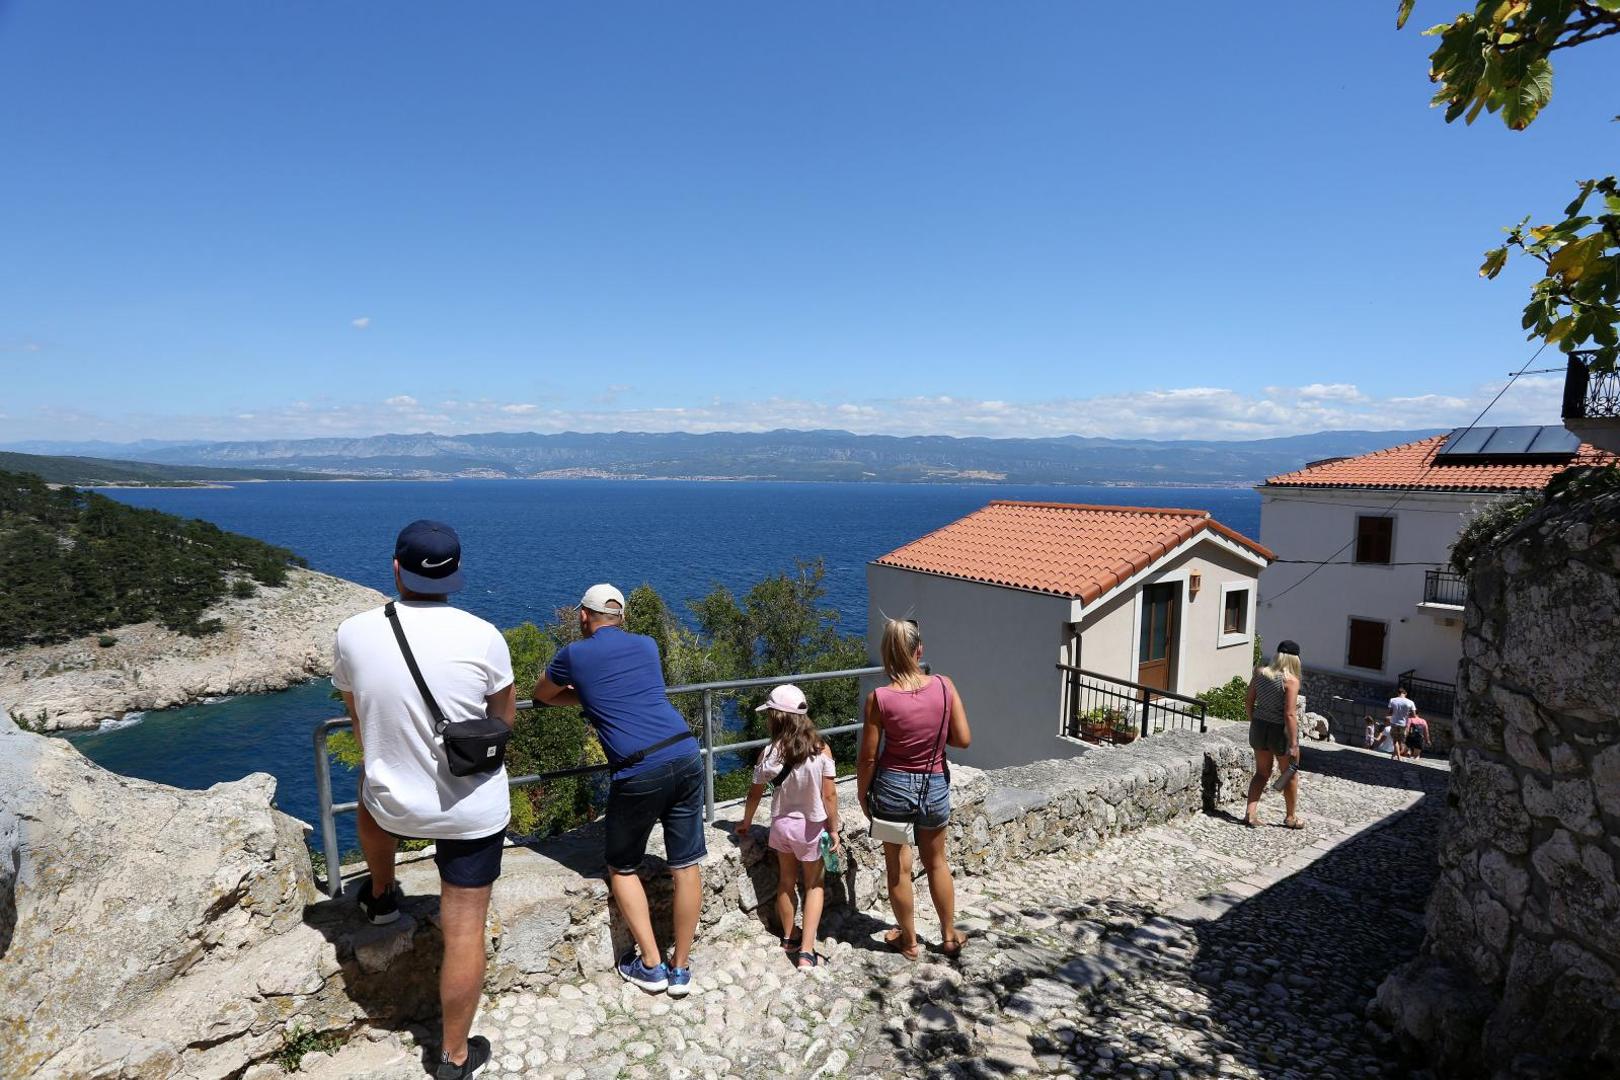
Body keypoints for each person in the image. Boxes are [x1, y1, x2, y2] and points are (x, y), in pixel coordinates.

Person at [333, 520, 516, 1080]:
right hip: (472, 810)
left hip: (393, 803)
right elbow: (503, 719)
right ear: (455, 574)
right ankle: (454, 1056)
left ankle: (381, 894)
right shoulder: (484, 635)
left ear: (397, 568)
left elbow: (357, 714)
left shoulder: (354, 633)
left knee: (369, 794)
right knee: (464, 932)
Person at [532, 584, 704, 997]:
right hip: (685, 752)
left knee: (622, 867)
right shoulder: (647, 645)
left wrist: (585, 694)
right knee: (686, 865)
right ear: (621, 617)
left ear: (583, 616)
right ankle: (681, 968)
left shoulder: (574, 654)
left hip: (639, 769)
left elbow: (541, 695)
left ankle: (652, 965)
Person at [855, 618, 971, 961]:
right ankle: (948, 936)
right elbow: (963, 739)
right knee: (937, 862)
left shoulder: (879, 699)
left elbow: (868, 758)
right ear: (919, 650)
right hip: (933, 784)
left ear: (887, 654)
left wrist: (862, 794)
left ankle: (908, 941)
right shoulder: (945, 686)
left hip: (891, 788)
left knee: (898, 869)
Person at [734, 684, 842, 970]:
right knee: (814, 885)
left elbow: (754, 794)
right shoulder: (821, 750)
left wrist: (746, 823)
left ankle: (789, 936)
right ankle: (806, 951)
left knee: (785, 881)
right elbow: (829, 796)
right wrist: (833, 829)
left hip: (781, 826)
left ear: (776, 717)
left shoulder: (769, 752)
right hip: (810, 828)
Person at [1243, 640, 1302, 829]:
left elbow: (1248, 701)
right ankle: (1290, 817)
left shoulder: (1260, 673)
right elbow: (1289, 714)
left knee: (1262, 773)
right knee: (1290, 774)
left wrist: (1254, 721)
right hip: (1279, 731)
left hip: (1259, 726)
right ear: (1295, 660)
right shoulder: (1291, 681)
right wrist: (1294, 743)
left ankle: (1250, 814)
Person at [1387, 686, 1416, 762]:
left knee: (1395, 740)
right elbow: (1414, 715)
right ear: (1405, 693)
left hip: (1394, 722)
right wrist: (1406, 714)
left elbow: (1390, 712)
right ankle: (1395, 755)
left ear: (1398, 693)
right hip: (1403, 723)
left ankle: (1397, 756)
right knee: (1400, 741)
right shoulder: (1410, 702)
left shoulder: (1392, 700)